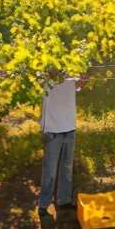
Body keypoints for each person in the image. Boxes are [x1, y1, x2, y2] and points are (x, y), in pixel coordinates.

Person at [38, 74, 86, 216]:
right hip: (53, 129)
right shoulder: (46, 69)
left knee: (67, 167)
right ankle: (44, 203)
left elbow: (77, 86)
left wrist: (82, 81)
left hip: (70, 126)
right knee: (50, 170)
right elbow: (39, 83)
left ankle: (63, 200)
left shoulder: (73, 67)